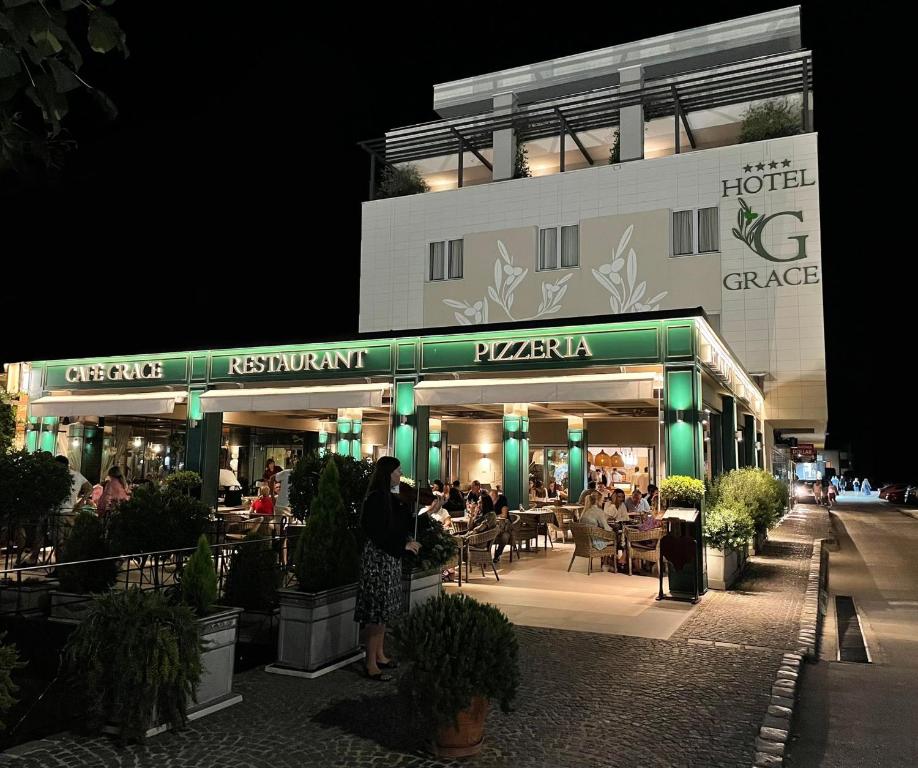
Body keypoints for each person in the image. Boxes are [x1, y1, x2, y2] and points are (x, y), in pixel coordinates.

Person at [354, 456, 441, 681]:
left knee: (384, 611)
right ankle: (370, 663)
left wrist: (429, 512)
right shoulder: (376, 499)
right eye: (398, 471)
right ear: (387, 473)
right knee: (377, 612)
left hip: (389, 558)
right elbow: (378, 532)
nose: (401, 475)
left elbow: (404, 523)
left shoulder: (391, 498)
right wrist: (403, 544)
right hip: (378, 560)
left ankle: (380, 654)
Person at [579, 492, 617, 571]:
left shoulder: (585, 511)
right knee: (615, 537)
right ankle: (607, 563)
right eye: (602, 500)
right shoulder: (598, 512)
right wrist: (614, 529)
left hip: (585, 541)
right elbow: (607, 529)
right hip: (594, 541)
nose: (603, 502)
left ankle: (606, 562)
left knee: (608, 536)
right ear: (597, 501)